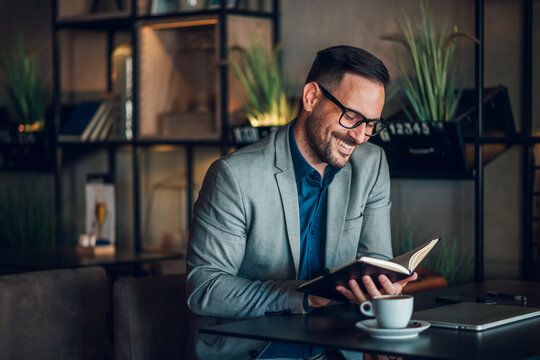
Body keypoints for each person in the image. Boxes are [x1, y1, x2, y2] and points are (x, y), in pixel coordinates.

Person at [185, 45, 417, 360]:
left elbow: (375, 257)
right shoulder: (234, 176)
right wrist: (305, 297)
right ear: (311, 97)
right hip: (257, 352)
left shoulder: (372, 164)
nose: (362, 136)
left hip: (340, 349)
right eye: (352, 117)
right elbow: (204, 288)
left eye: (372, 124)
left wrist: (380, 285)